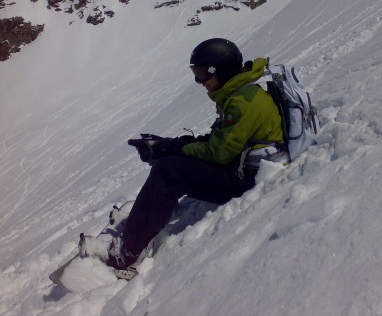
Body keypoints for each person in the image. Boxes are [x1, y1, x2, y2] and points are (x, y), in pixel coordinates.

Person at [107, 38, 286, 271]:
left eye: (202, 74)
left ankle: (129, 253)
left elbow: (218, 154)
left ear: (222, 70)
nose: (199, 81)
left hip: (248, 179)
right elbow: (221, 139)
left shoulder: (243, 102)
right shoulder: (242, 92)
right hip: (247, 165)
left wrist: (174, 150)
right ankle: (145, 217)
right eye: (196, 73)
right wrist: (171, 145)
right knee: (172, 162)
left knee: (168, 170)